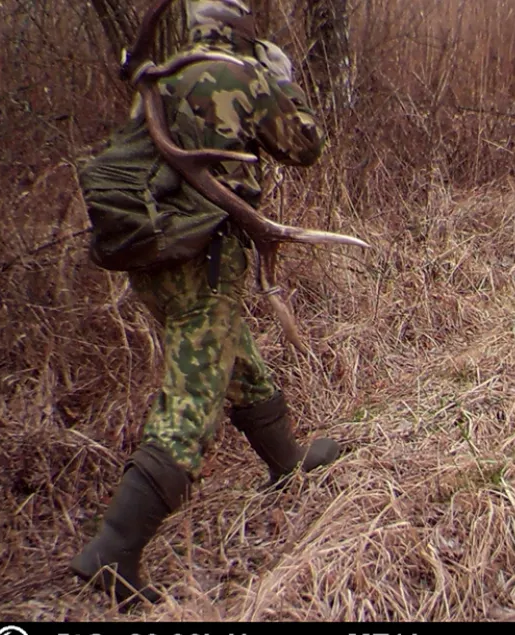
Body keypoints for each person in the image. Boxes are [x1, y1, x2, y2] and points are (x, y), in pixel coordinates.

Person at [70, 0, 341, 608]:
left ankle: (287, 462)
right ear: (243, 28)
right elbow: (305, 146)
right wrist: (281, 82)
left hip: (154, 255)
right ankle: (113, 549)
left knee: (232, 356)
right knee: (193, 396)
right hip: (206, 254)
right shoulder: (241, 75)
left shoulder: (164, 75)